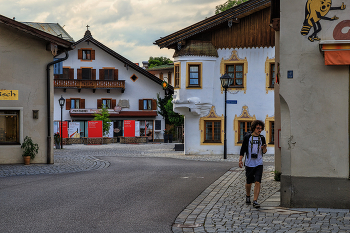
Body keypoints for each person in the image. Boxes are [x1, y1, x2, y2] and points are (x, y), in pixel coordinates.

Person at [239, 120, 267, 208]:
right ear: (253, 128)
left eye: (261, 128)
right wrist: (240, 160)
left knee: (258, 182)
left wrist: (264, 148)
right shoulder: (247, 137)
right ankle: (248, 195)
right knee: (249, 182)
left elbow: (264, 152)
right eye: (258, 128)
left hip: (259, 163)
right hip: (249, 163)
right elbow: (243, 149)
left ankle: (255, 201)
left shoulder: (262, 138)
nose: (259, 130)